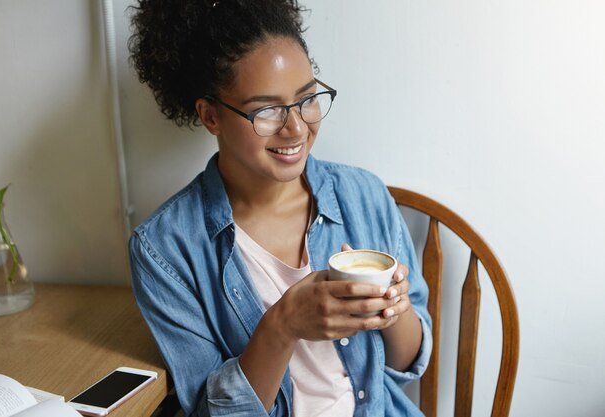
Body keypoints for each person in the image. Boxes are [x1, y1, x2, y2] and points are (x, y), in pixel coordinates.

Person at [127, 1, 432, 416]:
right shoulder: (165, 248)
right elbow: (209, 412)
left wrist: (395, 308)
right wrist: (283, 325)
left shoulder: (364, 195)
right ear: (211, 115)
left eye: (307, 99)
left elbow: (404, 365)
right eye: (267, 110)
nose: (296, 128)